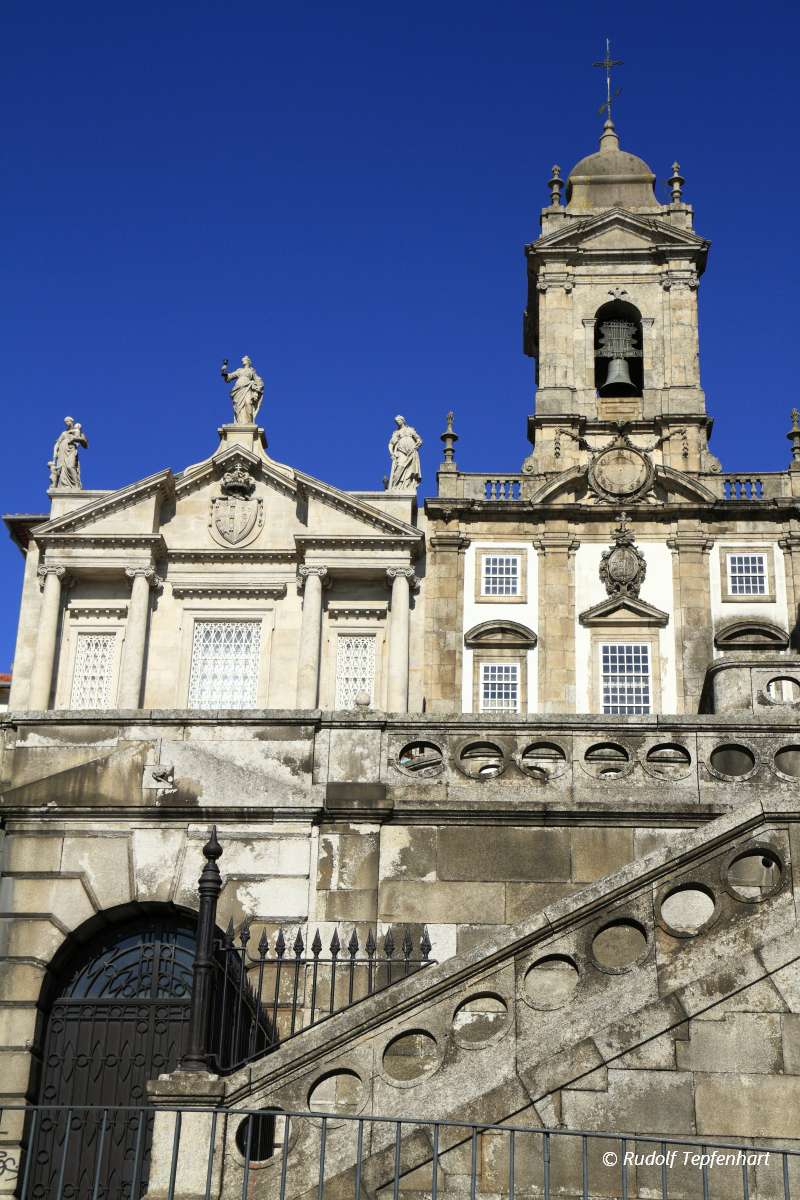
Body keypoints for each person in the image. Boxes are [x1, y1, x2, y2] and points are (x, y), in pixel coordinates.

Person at [220, 355, 265, 424]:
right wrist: (224, 372)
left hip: (247, 388)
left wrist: (256, 390)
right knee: (238, 406)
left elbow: (259, 381)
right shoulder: (239, 370)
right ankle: (240, 422)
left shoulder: (252, 371)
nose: (242, 361)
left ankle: (249, 422)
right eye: (242, 360)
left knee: (248, 403)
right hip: (238, 389)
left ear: (248, 362)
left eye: (244, 360)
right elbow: (230, 377)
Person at [49, 417, 88, 489]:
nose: (67, 423)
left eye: (67, 421)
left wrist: (76, 438)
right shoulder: (64, 433)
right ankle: (65, 486)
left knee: (70, 466)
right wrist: (54, 457)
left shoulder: (78, 431)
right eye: (65, 422)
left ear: (71, 421)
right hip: (62, 452)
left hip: (71, 451)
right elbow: (57, 443)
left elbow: (85, 444)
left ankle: (76, 486)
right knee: (62, 469)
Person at [388, 415, 422, 491]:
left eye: (399, 421)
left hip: (412, 451)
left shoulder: (410, 429)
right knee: (400, 467)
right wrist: (392, 453)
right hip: (401, 452)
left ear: (403, 420)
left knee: (410, 470)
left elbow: (418, 439)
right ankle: (395, 486)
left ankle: (407, 486)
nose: (398, 423)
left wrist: (417, 444)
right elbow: (391, 444)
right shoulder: (397, 432)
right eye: (397, 422)